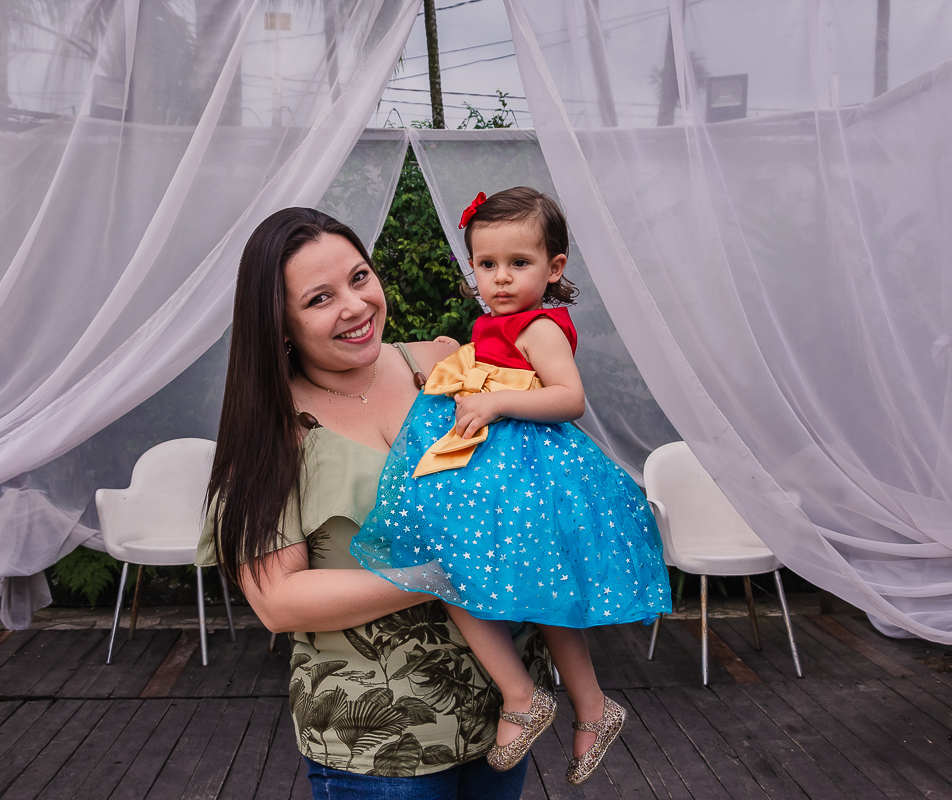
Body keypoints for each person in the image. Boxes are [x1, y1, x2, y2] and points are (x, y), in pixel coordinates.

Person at [196, 206, 552, 800]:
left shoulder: (445, 362)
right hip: (378, 745)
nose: (356, 306)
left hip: (503, 718)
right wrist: (439, 572)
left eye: (360, 277)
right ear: (277, 323)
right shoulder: (270, 433)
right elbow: (278, 602)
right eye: (319, 299)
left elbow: (534, 477)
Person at [350, 187, 671, 785]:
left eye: (518, 264)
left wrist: (495, 399)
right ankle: (572, 704)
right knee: (484, 580)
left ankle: (542, 700)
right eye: (486, 264)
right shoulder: (497, 323)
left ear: (554, 269)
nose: (499, 279)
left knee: (472, 576)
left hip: (531, 476)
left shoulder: (541, 327)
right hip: (495, 474)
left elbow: (569, 398)